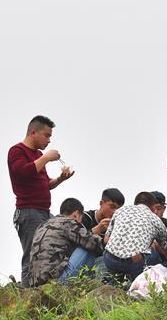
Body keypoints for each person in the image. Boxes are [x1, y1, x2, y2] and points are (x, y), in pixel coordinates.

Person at [7, 115, 74, 287]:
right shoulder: (17, 151)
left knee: (51, 248)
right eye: (47, 135)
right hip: (28, 211)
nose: (49, 140)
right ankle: (27, 293)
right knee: (31, 254)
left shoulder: (37, 155)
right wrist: (46, 158)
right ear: (33, 132)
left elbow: (45, 184)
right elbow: (23, 172)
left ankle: (43, 288)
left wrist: (60, 179)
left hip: (43, 211)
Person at [30, 198, 104, 287]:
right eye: (81, 218)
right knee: (89, 248)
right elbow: (94, 244)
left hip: (36, 284)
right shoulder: (69, 222)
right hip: (56, 282)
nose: (80, 222)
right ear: (76, 214)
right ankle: (95, 285)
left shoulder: (42, 225)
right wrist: (103, 238)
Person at [103, 192, 167, 283]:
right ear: (153, 207)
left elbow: (106, 240)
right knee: (154, 256)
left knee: (115, 268)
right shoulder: (155, 219)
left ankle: (113, 282)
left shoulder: (120, 211)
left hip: (110, 259)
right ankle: (143, 284)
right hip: (135, 262)